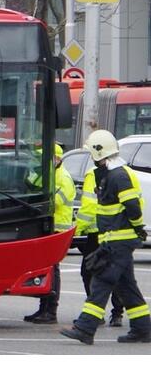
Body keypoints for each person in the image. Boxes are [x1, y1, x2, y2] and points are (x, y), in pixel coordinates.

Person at [60, 130, 150, 345]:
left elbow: (133, 207)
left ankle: (85, 327)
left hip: (118, 240)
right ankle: (143, 328)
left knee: (102, 280)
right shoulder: (111, 173)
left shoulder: (118, 175)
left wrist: (138, 228)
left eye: (92, 152)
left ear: (99, 152)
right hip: (114, 238)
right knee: (127, 286)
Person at [73, 147, 127, 329]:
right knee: (118, 274)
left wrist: (77, 230)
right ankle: (117, 313)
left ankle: (95, 314)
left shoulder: (92, 174)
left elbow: (88, 206)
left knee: (89, 271)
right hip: (118, 232)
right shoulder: (124, 172)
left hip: (97, 232)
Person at [23, 143, 76, 324]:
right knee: (45, 269)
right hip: (46, 227)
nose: (40, 160)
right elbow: (29, 187)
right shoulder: (47, 173)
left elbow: (53, 202)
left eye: (43, 157)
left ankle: (51, 310)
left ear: (57, 159)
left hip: (57, 230)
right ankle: (43, 308)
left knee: (53, 270)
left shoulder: (63, 178)